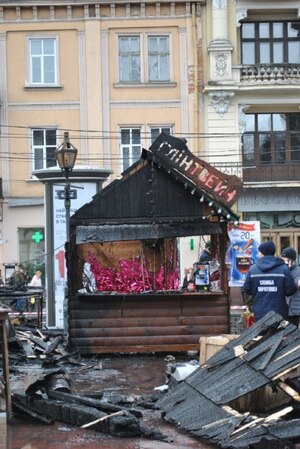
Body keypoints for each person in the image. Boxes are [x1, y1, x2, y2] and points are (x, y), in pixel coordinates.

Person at [243, 241, 296, 322]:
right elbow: (290, 290)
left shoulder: (253, 269)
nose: (258, 254)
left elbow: (247, 289)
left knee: (262, 334)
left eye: (259, 252)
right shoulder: (284, 269)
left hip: (260, 312)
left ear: (262, 253)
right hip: (279, 313)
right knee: (279, 334)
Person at [281, 247, 300, 327]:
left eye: (287, 260)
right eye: (283, 259)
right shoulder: (282, 270)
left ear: (293, 260)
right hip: (283, 308)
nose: (284, 262)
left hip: (295, 309)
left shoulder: (299, 270)